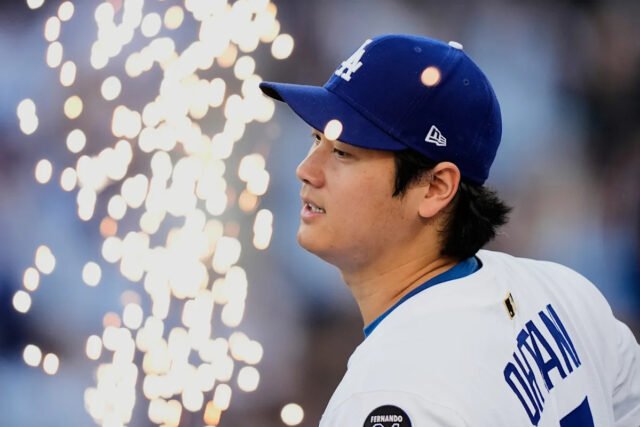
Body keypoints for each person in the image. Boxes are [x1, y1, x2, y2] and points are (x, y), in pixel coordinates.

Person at [259, 34, 640, 426]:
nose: (306, 169)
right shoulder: (565, 292)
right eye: (316, 139)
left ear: (435, 188)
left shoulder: (393, 397)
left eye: (343, 152)